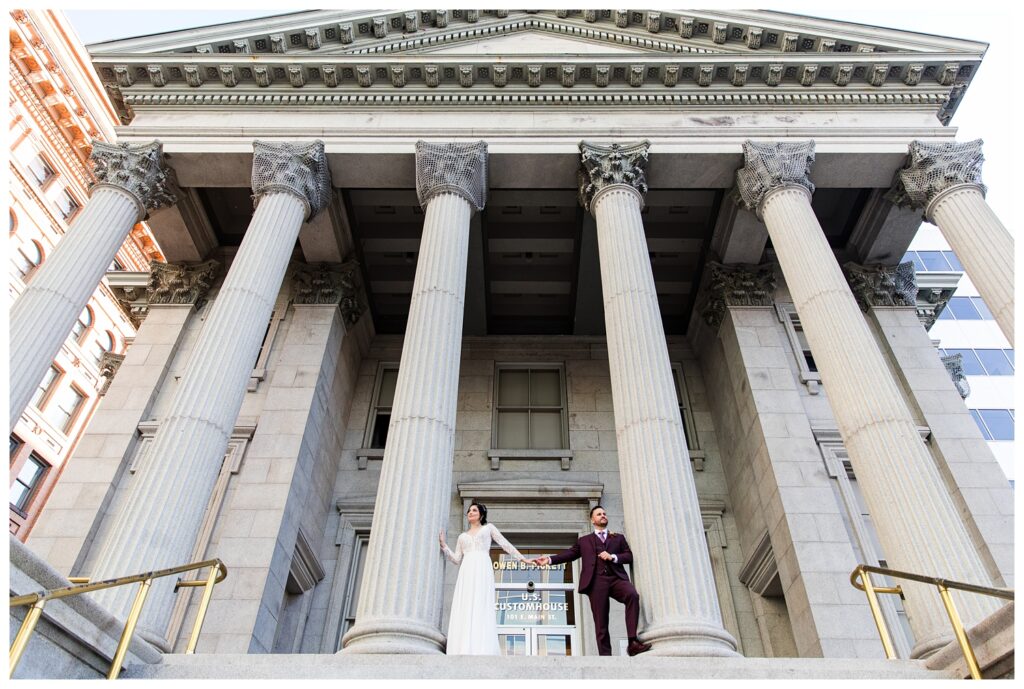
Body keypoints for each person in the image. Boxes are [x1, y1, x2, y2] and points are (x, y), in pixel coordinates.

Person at [535, 505, 652, 657]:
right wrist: (550, 559)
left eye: (604, 513)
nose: (603, 515)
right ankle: (605, 657)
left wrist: (613, 557)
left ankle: (632, 643)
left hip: (616, 578)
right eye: (599, 514)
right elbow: (570, 554)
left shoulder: (618, 538)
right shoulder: (584, 541)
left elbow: (628, 556)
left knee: (632, 595)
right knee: (601, 622)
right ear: (592, 519)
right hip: (596, 582)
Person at [440, 502, 532, 655]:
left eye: (474, 510)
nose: (470, 512)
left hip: (482, 567)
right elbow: (456, 559)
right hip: (467, 570)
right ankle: (463, 647)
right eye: (469, 510)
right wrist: (444, 546)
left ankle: (481, 648)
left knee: (481, 603)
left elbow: (505, 544)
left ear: (481, 514)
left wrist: (523, 559)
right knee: (467, 603)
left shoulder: (488, 528)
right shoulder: (462, 536)